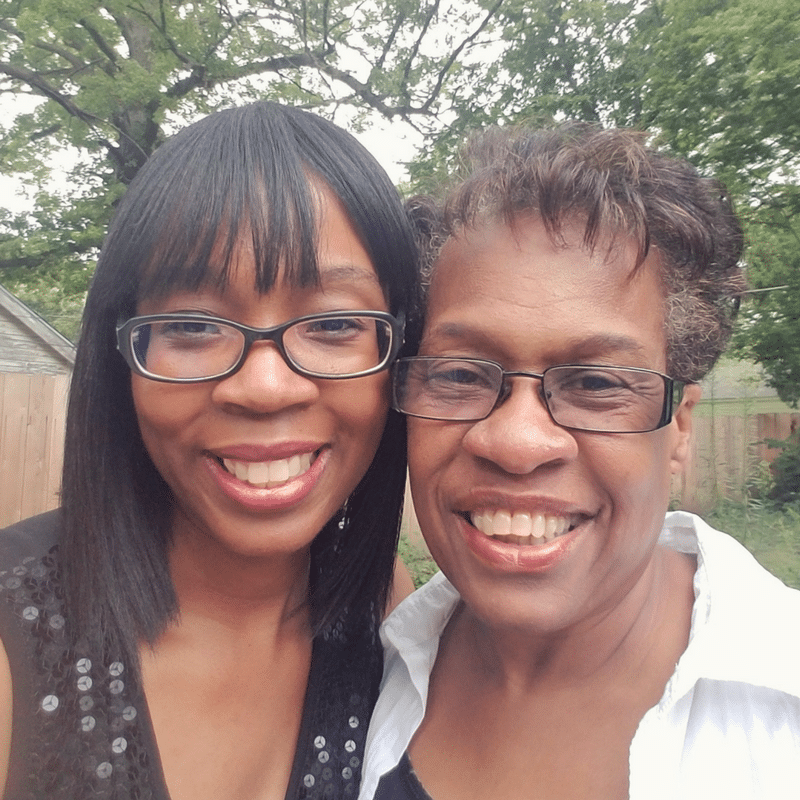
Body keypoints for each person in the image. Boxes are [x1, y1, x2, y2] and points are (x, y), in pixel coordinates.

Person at [360, 124, 800, 800]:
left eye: (597, 383)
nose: (516, 443)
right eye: (461, 374)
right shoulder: (364, 675)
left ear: (680, 429)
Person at [0, 101, 418, 800]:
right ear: (122, 358)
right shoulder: (18, 635)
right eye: (193, 326)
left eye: (336, 322)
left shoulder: (381, 613)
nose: (263, 388)